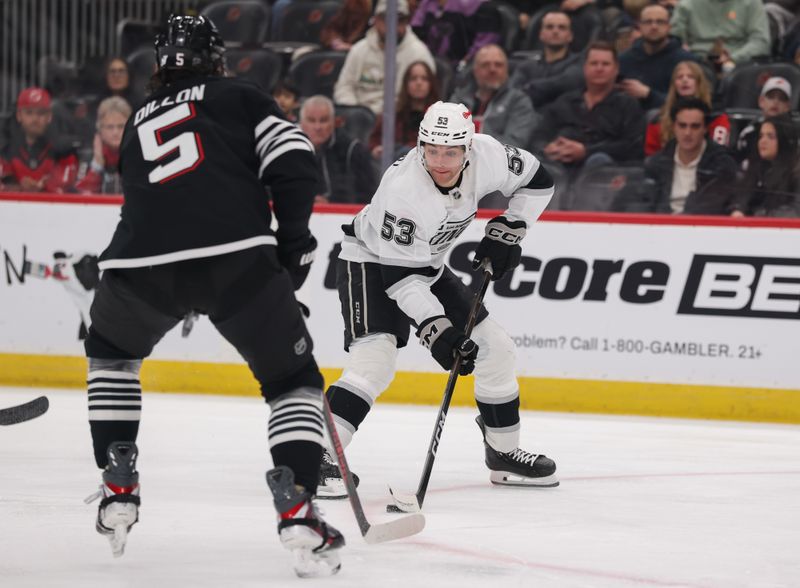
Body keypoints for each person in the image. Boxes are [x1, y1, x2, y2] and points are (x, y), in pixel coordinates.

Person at [81, 15, 343, 577]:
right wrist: (292, 247)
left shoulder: (137, 118)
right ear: (217, 58)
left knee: (110, 356)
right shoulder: (240, 96)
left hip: (139, 266)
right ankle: (298, 505)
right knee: (292, 382)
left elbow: (148, 199)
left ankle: (118, 479)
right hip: (236, 260)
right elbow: (296, 162)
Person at [315, 101, 559, 499]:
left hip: (425, 263)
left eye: (451, 152)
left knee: (496, 348)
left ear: (468, 148)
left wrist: (512, 227)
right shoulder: (404, 191)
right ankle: (315, 454)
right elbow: (401, 283)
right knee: (375, 359)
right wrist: (437, 331)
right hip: (371, 262)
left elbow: (538, 181)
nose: (440, 162)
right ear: (420, 146)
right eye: (431, 151)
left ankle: (503, 454)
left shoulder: (489, 154)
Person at [531, 41, 644, 171]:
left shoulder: (628, 105)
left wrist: (586, 151)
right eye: (594, 63)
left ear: (616, 69)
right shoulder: (565, 101)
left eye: (605, 64)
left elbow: (632, 147)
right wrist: (548, 148)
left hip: (603, 172)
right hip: (557, 167)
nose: (599, 68)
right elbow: (539, 136)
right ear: (584, 68)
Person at [334, 0, 436, 115]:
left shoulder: (419, 54)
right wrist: (356, 113)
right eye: (386, 20)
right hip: (358, 115)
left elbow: (420, 98)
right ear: (376, 20)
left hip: (397, 117)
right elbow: (344, 87)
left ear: (407, 22)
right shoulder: (359, 49)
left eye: (399, 20)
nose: (393, 26)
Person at [643, 97, 738, 214]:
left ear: (705, 128)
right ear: (673, 127)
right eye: (682, 126)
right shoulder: (655, 164)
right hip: (663, 222)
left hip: (702, 223)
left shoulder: (721, 164)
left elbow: (718, 207)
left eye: (695, 126)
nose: (687, 133)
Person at [449, 44, 538, 148]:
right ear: (475, 70)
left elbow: (515, 143)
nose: (492, 69)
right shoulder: (459, 99)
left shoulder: (519, 101)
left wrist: (475, 145)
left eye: (498, 65)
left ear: (506, 70)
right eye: (485, 65)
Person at [300, 95, 378, 204]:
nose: (317, 127)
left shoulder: (352, 150)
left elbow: (369, 195)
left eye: (323, 120)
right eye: (311, 120)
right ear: (301, 123)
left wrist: (330, 202)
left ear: (334, 122)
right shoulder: (290, 149)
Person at [617, 4, 696, 110]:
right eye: (648, 22)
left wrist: (649, 94)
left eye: (660, 22)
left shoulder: (686, 61)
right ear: (639, 26)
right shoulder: (624, 60)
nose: (654, 26)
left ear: (669, 27)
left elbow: (691, 103)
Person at [0, 87, 78, 193]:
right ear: (19, 116)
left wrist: (44, 187)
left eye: (41, 113)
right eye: (29, 113)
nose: (35, 119)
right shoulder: (5, 150)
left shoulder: (63, 150)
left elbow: (66, 188)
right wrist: (19, 188)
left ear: (49, 116)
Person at [645, 60, 730, 156]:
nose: (684, 80)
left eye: (691, 77)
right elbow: (651, 154)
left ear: (699, 83)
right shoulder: (660, 119)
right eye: (679, 77)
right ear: (674, 84)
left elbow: (720, 151)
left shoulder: (716, 115)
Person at [509, 11, 584, 109]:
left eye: (562, 27)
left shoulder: (579, 62)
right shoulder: (527, 66)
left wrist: (530, 87)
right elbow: (512, 93)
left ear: (570, 36)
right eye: (549, 27)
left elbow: (567, 83)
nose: (555, 31)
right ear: (541, 35)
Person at [670, 0, 770, 73]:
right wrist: (684, 51)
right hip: (697, 62)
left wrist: (733, 58)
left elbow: (761, 42)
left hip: (740, 62)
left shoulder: (751, 3)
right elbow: (675, 40)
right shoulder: (687, 3)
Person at [369, 60, 441, 161]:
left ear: (431, 84)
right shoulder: (393, 114)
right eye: (413, 78)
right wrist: (375, 149)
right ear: (406, 83)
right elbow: (374, 140)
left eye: (424, 79)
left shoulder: (439, 116)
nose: (419, 83)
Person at [730, 115, 800, 217]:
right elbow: (741, 198)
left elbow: (796, 211)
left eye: (770, 137)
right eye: (761, 136)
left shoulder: (796, 171)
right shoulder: (756, 168)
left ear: (785, 140)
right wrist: (739, 209)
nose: (763, 141)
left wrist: (762, 216)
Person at [410, 0, 502, 68]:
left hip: (466, 70)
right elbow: (414, 36)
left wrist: (464, 63)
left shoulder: (483, 7)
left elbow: (485, 46)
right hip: (429, 65)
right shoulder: (426, 4)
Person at [75, 97, 131, 194]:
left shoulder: (140, 156)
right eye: (110, 127)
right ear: (100, 129)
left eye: (121, 126)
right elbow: (81, 197)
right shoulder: (86, 158)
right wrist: (97, 166)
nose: (115, 132)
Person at [734, 77, 794, 165]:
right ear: (761, 101)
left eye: (782, 98)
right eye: (771, 97)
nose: (776, 102)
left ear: (788, 106)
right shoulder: (748, 133)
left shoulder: (794, 136)